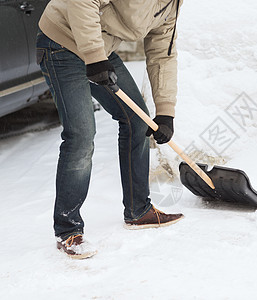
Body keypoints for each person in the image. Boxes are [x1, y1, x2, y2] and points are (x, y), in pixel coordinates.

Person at [36, 0, 184, 259]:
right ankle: (68, 229)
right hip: (62, 41)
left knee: (138, 121)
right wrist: (94, 57)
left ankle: (138, 210)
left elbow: (163, 53)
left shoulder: (172, 6)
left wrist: (166, 111)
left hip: (99, 48)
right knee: (81, 136)